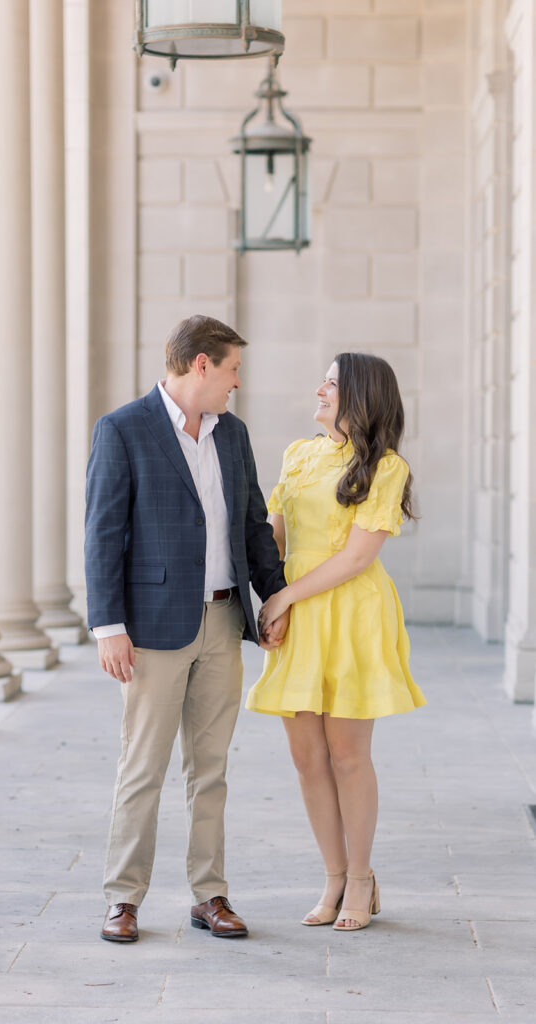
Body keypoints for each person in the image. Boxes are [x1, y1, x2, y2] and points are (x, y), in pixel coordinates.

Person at [85, 314, 289, 943]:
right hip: (150, 628)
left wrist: (273, 596)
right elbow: (102, 533)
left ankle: (210, 894)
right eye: (231, 370)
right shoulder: (123, 429)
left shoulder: (233, 435)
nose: (235, 383)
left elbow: (255, 523)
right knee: (141, 765)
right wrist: (107, 625)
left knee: (210, 767)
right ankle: (123, 898)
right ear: (201, 364)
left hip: (223, 620)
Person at [247, 352, 426, 932]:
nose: (319, 389)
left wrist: (285, 598)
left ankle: (360, 878)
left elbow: (355, 558)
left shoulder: (387, 466)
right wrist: (270, 598)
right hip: (295, 612)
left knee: (348, 756)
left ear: (360, 396)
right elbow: (273, 536)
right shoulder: (298, 454)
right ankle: (332, 874)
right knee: (307, 758)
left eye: (331, 382)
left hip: (350, 614)